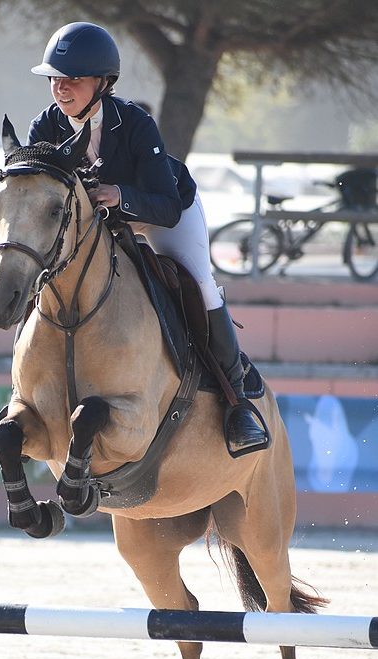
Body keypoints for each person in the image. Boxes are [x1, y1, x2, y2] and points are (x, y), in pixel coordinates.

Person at [28, 22, 268, 456]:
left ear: (103, 83)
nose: (61, 89)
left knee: (200, 285)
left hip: (162, 214)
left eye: (72, 80)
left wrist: (120, 195)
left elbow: (167, 205)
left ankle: (237, 401)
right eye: (55, 80)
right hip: (99, 224)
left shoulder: (136, 124)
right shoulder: (45, 127)